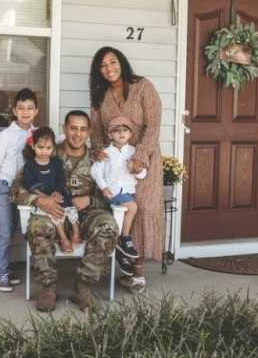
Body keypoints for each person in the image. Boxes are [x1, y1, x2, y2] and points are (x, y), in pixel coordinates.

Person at [11, 111, 119, 312]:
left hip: (86, 214)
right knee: (38, 226)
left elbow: (112, 193)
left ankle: (84, 287)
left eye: (83, 129)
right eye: (73, 128)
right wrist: (39, 200)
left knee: (108, 226)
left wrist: (90, 199)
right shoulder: (47, 151)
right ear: (64, 129)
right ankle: (48, 287)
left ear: (90, 132)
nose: (77, 134)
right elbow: (16, 188)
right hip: (51, 212)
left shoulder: (99, 160)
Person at [89, 46, 163, 294]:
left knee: (142, 209)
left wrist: (141, 156)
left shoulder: (143, 86)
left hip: (145, 158)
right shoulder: (100, 95)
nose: (109, 68)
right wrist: (98, 149)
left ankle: (138, 272)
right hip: (115, 165)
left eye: (113, 62)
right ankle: (126, 265)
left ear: (121, 63)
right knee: (122, 210)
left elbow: (153, 125)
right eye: (103, 65)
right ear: (98, 71)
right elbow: (97, 131)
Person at [0, 88, 38, 292]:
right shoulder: (6, 135)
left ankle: (8, 268)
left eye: (30, 108)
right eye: (21, 108)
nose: (25, 112)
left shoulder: (37, 133)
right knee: (5, 232)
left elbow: (53, 143)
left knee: (21, 229)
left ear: (36, 111)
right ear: (14, 111)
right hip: (5, 187)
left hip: (26, 189)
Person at [90, 115, 147, 276]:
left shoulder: (134, 152)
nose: (121, 134)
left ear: (130, 134)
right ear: (110, 135)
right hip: (113, 193)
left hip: (127, 191)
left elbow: (143, 174)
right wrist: (103, 187)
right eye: (117, 131)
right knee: (132, 207)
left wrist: (136, 170)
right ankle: (125, 238)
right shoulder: (106, 153)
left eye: (125, 130)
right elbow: (95, 171)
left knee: (124, 214)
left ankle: (120, 252)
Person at [22, 126, 81, 253]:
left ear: (53, 147)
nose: (44, 151)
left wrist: (57, 192)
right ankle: (64, 239)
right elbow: (30, 184)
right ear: (33, 146)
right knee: (54, 213)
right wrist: (45, 197)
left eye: (48, 148)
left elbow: (61, 180)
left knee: (70, 207)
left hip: (58, 194)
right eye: (40, 147)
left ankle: (76, 233)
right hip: (43, 198)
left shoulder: (56, 163)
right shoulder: (30, 166)